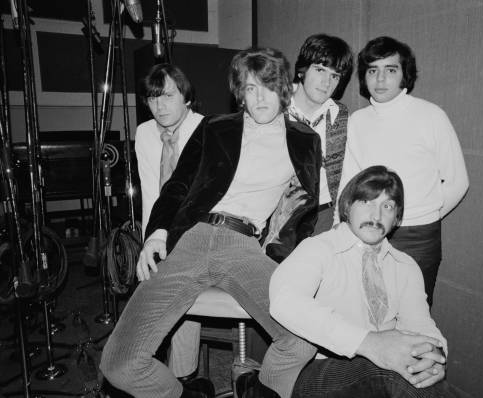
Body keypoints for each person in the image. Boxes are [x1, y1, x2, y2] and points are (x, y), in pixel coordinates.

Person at [100, 47, 321, 398]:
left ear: (284, 89)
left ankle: (255, 390)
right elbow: (178, 184)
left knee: (301, 342)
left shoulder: (305, 140)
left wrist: (282, 255)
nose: (259, 96)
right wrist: (157, 234)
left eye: (267, 85)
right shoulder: (215, 127)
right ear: (240, 94)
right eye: (249, 88)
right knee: (119, 364)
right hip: (192, 237)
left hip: (244, 246)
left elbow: (303, 211)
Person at [270, 165, 451, 398]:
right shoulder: (319, 248)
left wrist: (434, 355)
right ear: (347, 206)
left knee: (418, 378)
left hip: (382, 375)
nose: (376, 216)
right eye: (367, 202)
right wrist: (369, 344)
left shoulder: (405, 267)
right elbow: (285, 301)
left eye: (387, 207)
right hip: (315, 370)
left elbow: (419, 323)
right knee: (386, 373)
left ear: (396, 218)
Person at [338, 36, 469, 306]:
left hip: (418, 237)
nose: (381, 79)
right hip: (366, 231)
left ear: (404, 75)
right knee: (366, 313)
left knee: (413, 318)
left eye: (390, 70)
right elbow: (349, 183)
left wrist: (420, 215)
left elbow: (458, 181)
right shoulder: (357, 122)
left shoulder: (431, 115)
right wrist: (343, 228)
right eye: (373, 70)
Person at [134, 63, 207, 392]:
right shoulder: (145, 133)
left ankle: (184, 376)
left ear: (186, 96)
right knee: (150, 278)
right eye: (152, 99)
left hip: (200, 227)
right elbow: (151, 192)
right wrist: (148, 240)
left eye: (168, 96)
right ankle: (149, 368)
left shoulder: (208, 129)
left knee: (179, 284)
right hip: (161, 225)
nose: (160, 106)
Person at [287, 33, 353, 234]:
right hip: (278, 213)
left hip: (323, 216)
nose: (326, 82)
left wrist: (337, 221)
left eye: (334, 75)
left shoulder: (339, 115)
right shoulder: (274, 108)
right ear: (302, 70)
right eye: (320, 70)